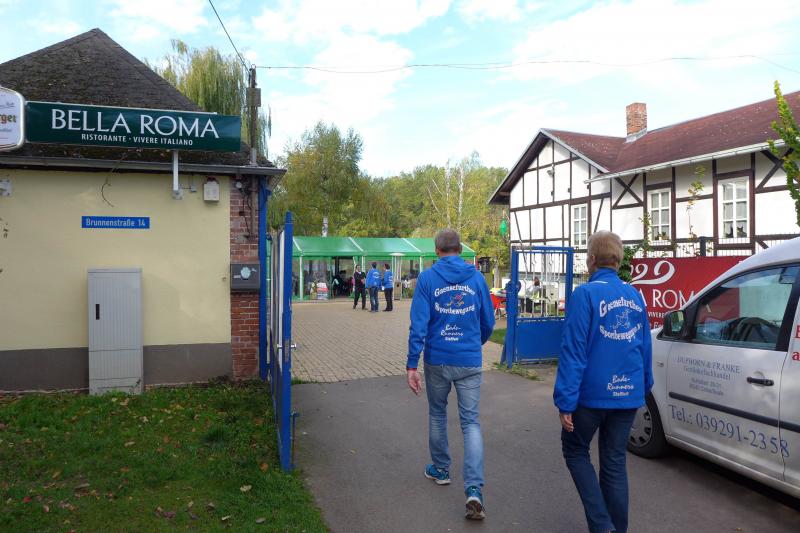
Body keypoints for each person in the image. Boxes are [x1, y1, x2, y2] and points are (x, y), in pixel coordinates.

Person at [553, 230, 652, 533]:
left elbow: (573, 350)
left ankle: (601, 525)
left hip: (591, 395)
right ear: (618, 260)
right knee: (614, 461)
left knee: (575, 450)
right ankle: (616, 529)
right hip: (628, 393)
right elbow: (645, 347)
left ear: (592, 259)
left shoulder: (585, 294)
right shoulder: (634, 296)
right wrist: (643, 387)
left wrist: (565, 401)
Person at [406, 229, 495, 520]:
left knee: (437, 414)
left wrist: (411, 365)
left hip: (438, 359)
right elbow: (488, 321)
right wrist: (474, 343)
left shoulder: (427, 279)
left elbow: (419, 324)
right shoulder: (477, 278)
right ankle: (474, 489)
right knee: (471, 423)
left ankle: (441, 469)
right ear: (459, 249)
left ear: (437, 251)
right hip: (468, 359)